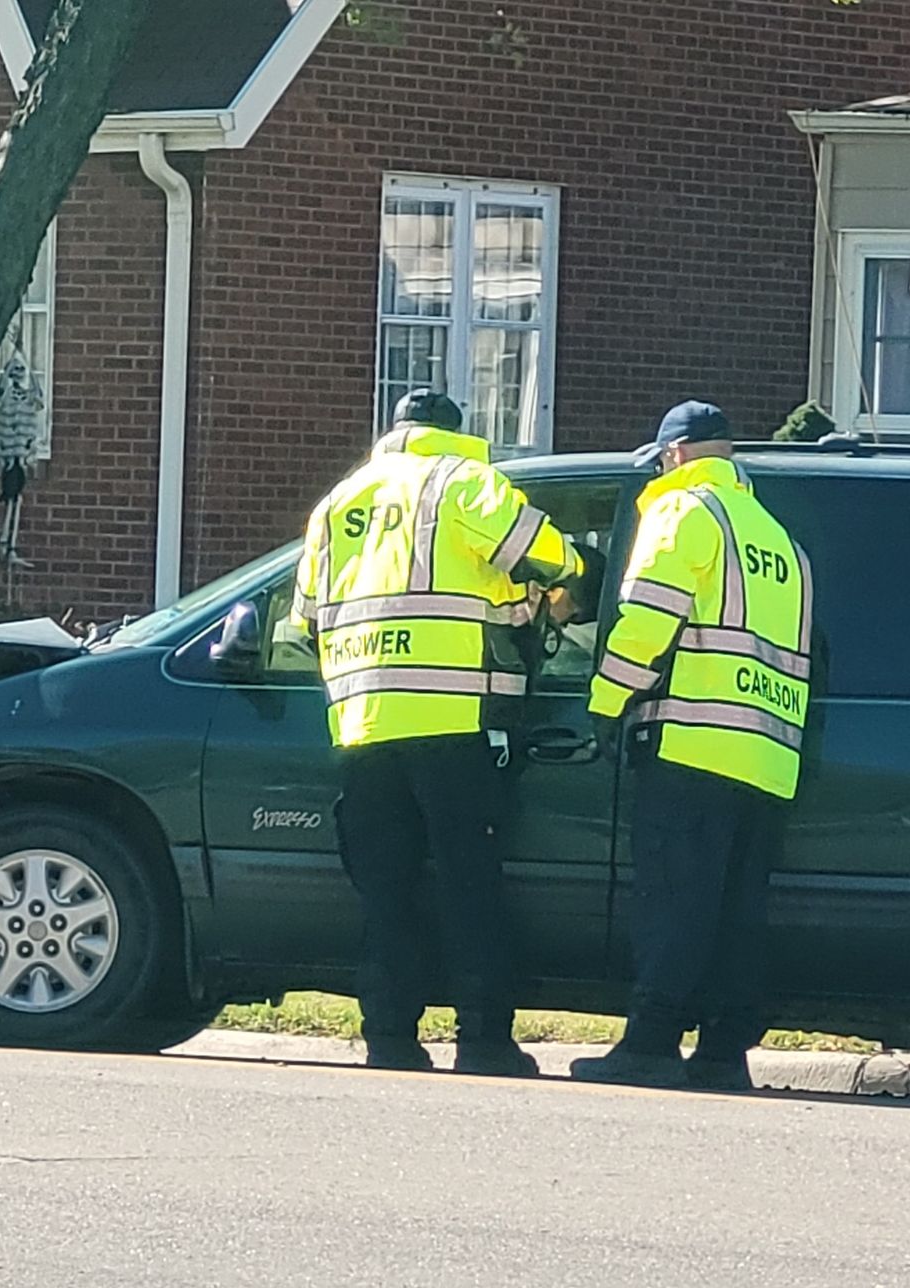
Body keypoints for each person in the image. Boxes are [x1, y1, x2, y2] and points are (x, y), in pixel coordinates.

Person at [292, 388, 593, 1076]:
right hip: (456, 719)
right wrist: (572, 577)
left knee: (386, 888)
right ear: (454, 432)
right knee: (468, 885)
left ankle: (389, 1036)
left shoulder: (339, 502)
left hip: (364, 722)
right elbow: (547, 554)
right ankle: (484, 1039)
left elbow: (307, 614)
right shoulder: (465, 481)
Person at [569, 401, 812, 1091]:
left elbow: (646, 619)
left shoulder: (685, 513)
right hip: (766, 758)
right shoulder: (779, 541)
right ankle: (721, 1053)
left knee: (674, 902)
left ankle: (649, 1041)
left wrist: (606, 705)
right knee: (734, 913)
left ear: (675, 454)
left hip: (692, 746)